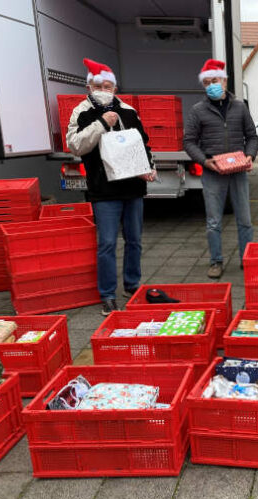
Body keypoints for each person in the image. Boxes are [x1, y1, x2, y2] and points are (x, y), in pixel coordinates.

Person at [66, 58, 156, 316]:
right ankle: (107, 294)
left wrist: (149, 167)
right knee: (106, 243)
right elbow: (76, 145)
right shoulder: (81, 112)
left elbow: (143, 144)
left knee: (135, 241)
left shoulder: (129, 110)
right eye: (99, 85)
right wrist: (103, 122)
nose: (105, 89)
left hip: (132, 188)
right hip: (103, 190)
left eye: (109, 86)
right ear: (89, 86)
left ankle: (132, 284)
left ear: (115, 88)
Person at [184, 59, 258, 279]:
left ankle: (247, 258)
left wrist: (250, 156)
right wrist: (205, 161)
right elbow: (189, 141)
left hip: (238, 172)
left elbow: (252, 136)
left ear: (224, 81)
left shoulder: (240, 106)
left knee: (245, 219)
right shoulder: (198, 110)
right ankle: (216, 261)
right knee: (214, 221)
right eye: (207, 82)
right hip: (212, 172)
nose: (211, 85)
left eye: (215, 80)